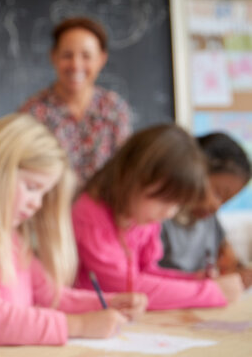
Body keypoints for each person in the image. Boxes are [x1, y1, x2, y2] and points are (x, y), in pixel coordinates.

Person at [0, 113, 147, 352]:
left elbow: (51, 296)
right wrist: (79, 324)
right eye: (32, 188)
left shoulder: (12, 237)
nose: (37, 204)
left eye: (44, 194)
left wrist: (111, 302)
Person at [73, 124, 245, 310]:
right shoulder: (89, 213)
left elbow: (146, 272)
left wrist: (193, 281)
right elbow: (125, 286)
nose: (169, 213)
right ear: (134, 176)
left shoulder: (140, 219)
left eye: (177, 204)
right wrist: (209, 292)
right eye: (166, 201)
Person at [18, 16, 132, 185]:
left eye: (86, 56)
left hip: (102, 208)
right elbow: (23, 174)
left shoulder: (114, 108)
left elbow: (126, 170)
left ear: (101, 59)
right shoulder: (33, 112)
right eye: (67, 55)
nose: (76, 65)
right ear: (53, 56)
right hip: (50, 208)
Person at [159, 132, 252, 288]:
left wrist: (239, 273)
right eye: (217, 193)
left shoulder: (208, 219)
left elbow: (229, 262)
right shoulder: (158, 217)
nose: (216, 207)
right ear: (192, 170)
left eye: (225, 202)